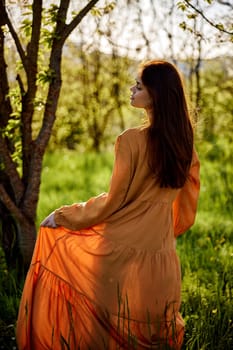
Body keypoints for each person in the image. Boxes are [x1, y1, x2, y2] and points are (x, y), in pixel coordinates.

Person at [16, 60, 200, 350]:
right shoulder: (185, 144)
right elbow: (187, 209)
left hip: (117, 245)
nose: (131, 89)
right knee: (152, 328)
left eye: (138, 86)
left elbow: (113, 201)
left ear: (157, 94)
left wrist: (65, 215)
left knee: (103, 326)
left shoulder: (130, 140)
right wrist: (161, 230)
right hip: (161, 252)